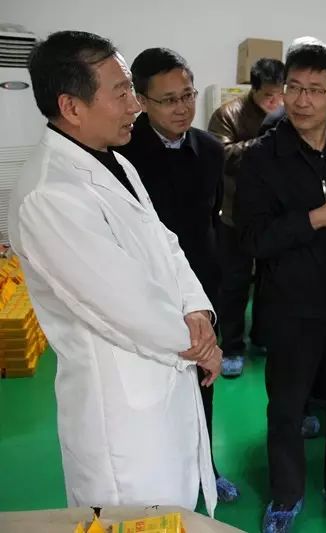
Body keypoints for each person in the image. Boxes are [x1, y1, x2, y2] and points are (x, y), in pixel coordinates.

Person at [8, 31, 220, 514]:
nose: (135, 106)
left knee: (175, 509)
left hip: (167, 370)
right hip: (122, 412)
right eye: (122, 92)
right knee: (133, 515)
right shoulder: (49, 195)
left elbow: (166, 244)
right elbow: (123, 305)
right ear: (72, 106)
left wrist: (197, 310)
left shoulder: (115, 161)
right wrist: (199, 344)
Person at [235, 42, 326, 533]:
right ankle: (286, 495)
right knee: (286, 405)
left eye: (315, 90)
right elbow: (252, 237)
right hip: (291, 305)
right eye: (294, 88)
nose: (302, 101)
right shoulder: (262, 156)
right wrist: (314, 219)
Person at [115, 47, 239, 503]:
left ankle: (206, 467)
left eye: (188, 95)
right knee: (152, 389)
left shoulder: (210, 149)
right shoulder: (121, 153)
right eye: (168, 100)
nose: (182, 107)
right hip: (146, 292)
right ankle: (162, 479)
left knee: (202, 380)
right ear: (141, 101)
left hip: (201, 287)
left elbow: (209, 219)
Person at [208, 58, 284, 378]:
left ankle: (263, 337)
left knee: (271, 281)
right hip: (234, 213)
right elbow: (221, 156)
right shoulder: (228, 114)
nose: (275, 101)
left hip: (273, 215)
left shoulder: (289, 114)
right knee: (234, 283)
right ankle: (232, 346)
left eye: (280, 94)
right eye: (268, 95)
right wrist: (265, 143)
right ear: (253, 89)